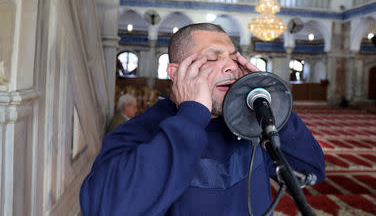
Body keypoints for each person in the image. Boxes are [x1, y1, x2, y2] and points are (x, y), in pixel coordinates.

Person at [80, 23, 325, 215]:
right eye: (212, 57)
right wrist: (192, 114)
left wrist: (273, 108)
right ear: (177, 73)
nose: (230, 66)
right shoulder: (140, 132)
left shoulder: (251, 124)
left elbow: (310, 170)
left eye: (233, 57)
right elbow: (106, 208)